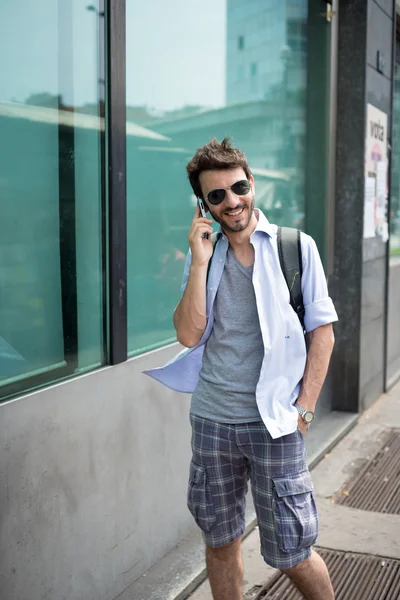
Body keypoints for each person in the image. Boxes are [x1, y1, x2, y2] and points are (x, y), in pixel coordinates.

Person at [144, 138, 338, 600]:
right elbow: (189, 335)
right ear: (203, 204)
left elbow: (323, 335)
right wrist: (197, 262)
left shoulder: (296, 247)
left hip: (276, 423)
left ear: (252, 184)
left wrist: (304, 410)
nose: (232, 201)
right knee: (220, 539)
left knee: (292, 549)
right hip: (213, 421)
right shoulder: (206, 258)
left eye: (239, 187)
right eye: (217, 195)